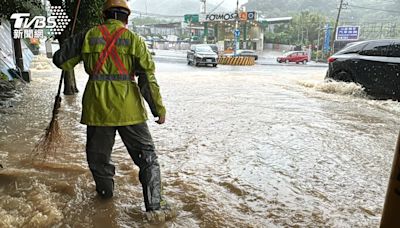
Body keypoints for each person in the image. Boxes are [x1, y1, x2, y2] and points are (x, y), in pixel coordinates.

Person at [53, 0, 173, 222]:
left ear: (104, 16)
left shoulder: (88, 36)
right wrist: (158, 109)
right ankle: (155, 207)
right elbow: (147, 79)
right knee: (148, 158)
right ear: (126, 18)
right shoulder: (135, 40)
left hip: (97, 109)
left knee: (99, 160)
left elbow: (60, 60)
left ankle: (105, 198)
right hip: (130, 110)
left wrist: (71, 40)